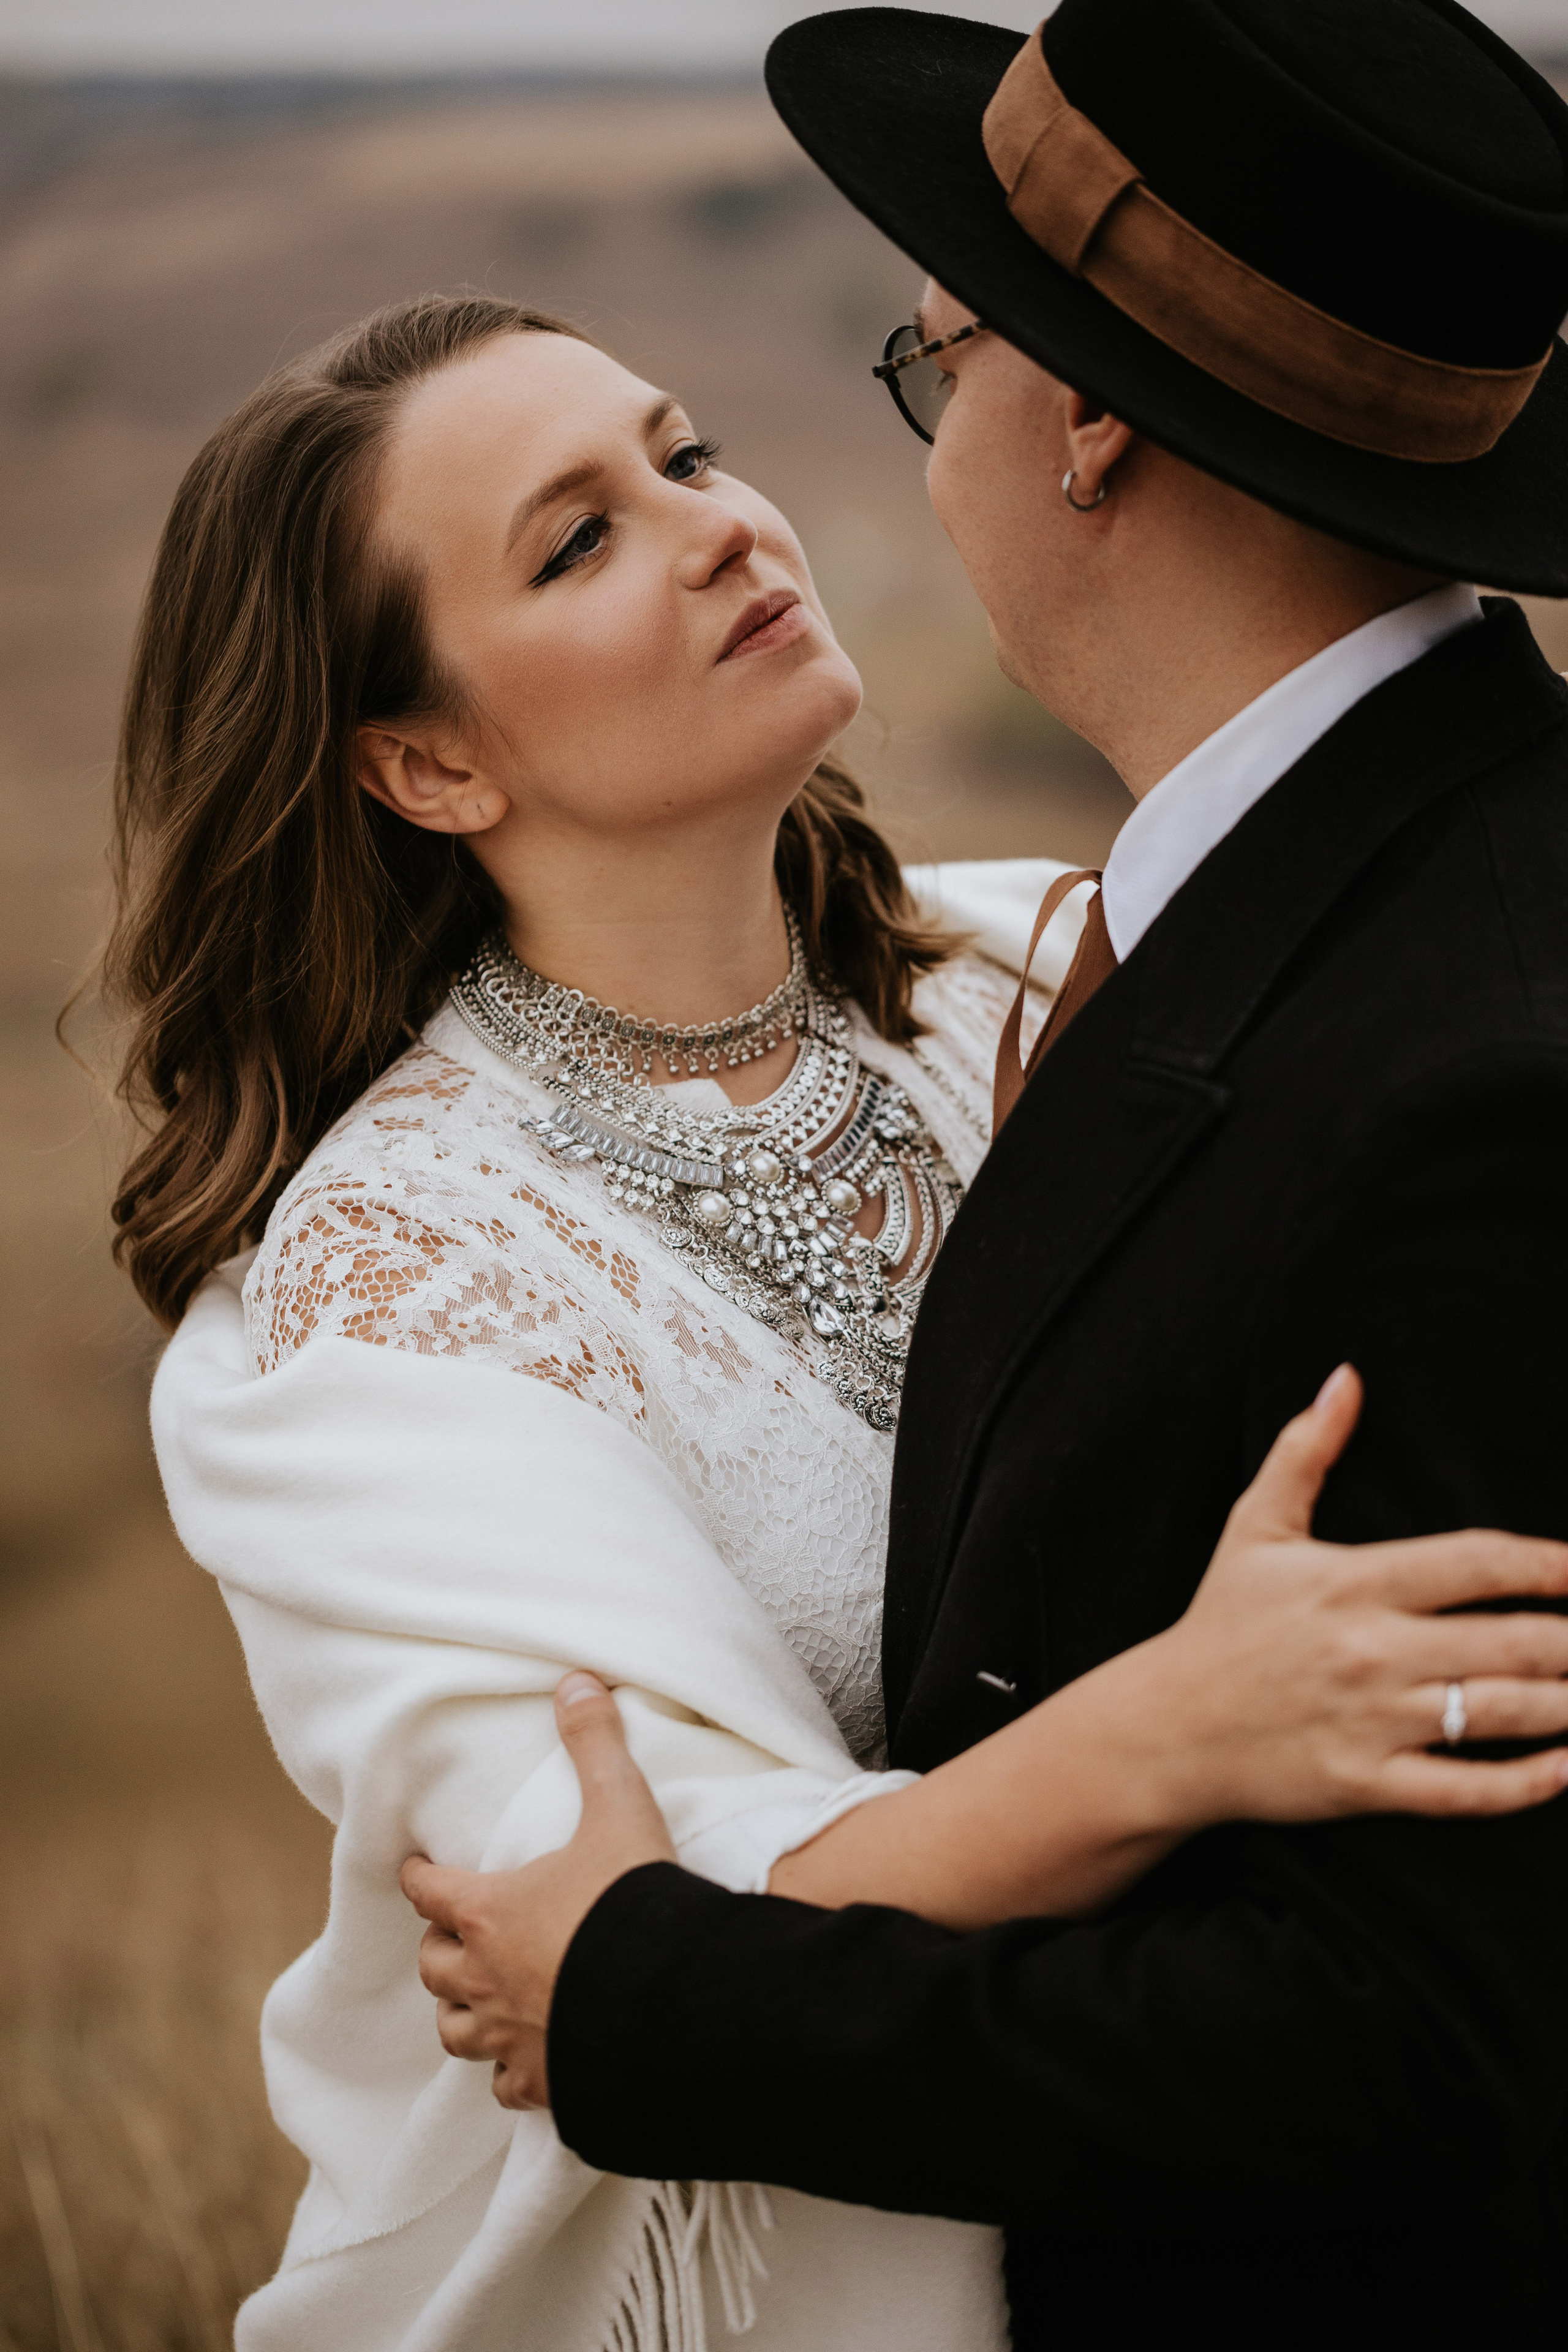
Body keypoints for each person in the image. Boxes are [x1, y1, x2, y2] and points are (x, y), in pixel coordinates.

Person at [394, 3, 1568, 2346]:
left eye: (936, 361)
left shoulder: (1475, 1089)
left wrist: (660, 2011)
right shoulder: (1253, 915)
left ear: (1089, 419)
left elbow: (1433, 2048)